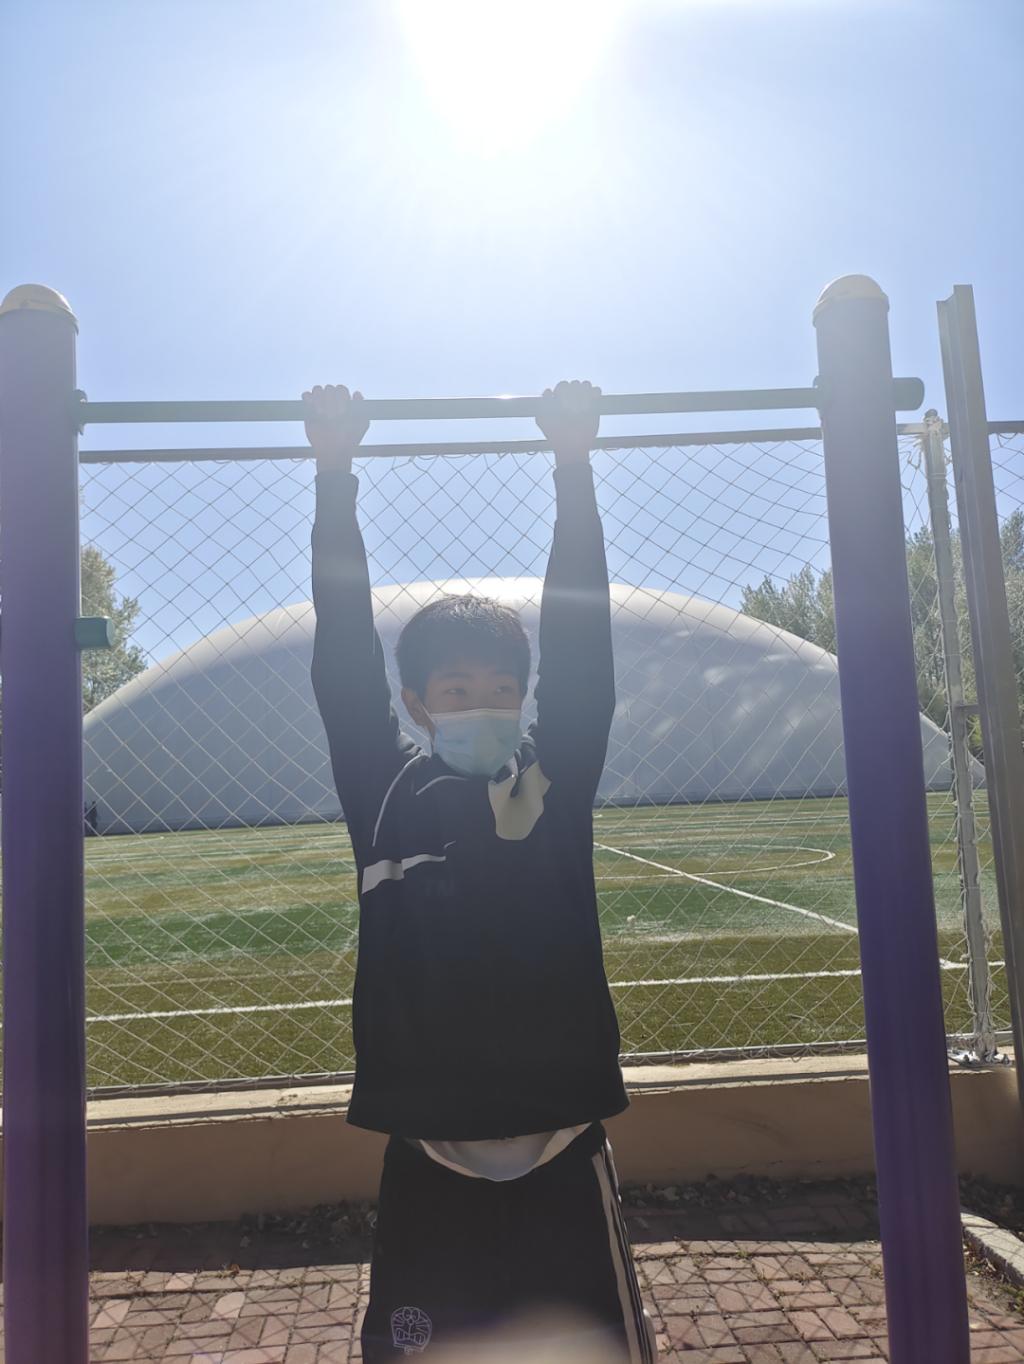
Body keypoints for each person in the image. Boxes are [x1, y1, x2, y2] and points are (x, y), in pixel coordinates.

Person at [305, 381, 653, 1363]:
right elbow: (342, 658)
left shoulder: (551, 776)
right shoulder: (383, 788)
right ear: (417, 704)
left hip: (562, 1132)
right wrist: (333, 474)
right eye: (457, 689)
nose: (484, 703)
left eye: (503, 687)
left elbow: (584, 657)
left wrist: (573, 466)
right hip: (430, 1141)